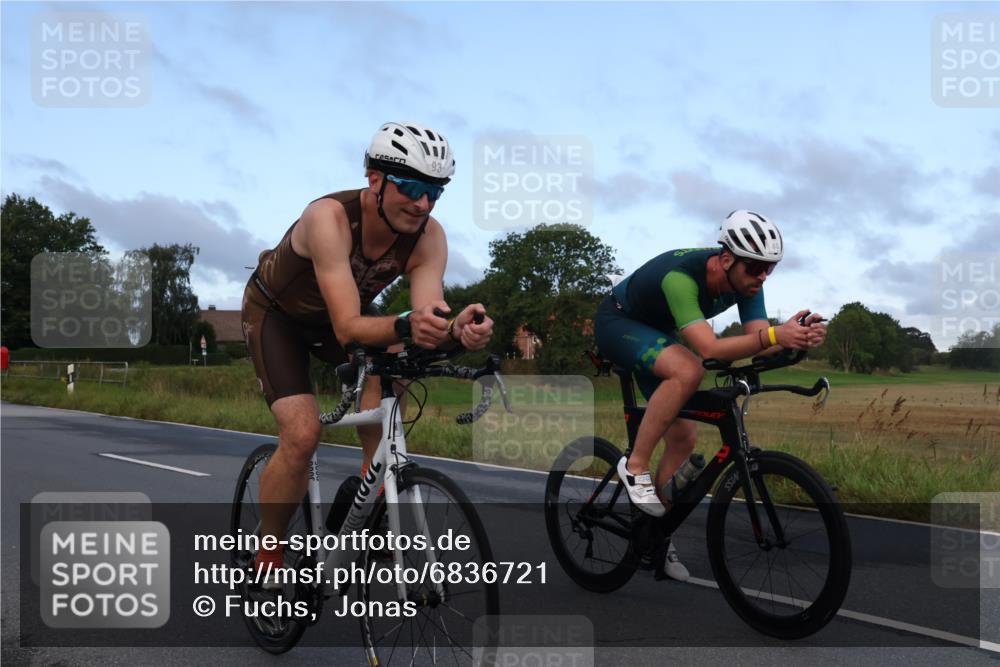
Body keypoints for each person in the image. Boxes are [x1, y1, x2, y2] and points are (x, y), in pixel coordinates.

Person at [241, 122, 494, 581]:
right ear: (375, 179)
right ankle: (269, 551)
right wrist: (405, 325)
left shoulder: (428, 237)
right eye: (412, 187)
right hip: (277, 316)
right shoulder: (329, 218)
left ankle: (371, 490)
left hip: (342, 314)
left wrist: (457, 329)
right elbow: (348, 326)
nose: (423, 203)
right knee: (301, 436)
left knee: (396, 354)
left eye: (436, 192)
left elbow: (427, 315)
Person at [593, 210, 826, 580]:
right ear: (727, 259)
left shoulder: (748, 285)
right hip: (618, 323)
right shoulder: (681, 278)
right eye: (755, 267)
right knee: (689, 369)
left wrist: (797, 341)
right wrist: (773, 336)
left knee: (684, 437)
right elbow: (709, 350)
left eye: (770, 268)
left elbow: (761, 344)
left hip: (657, 333)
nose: (762, 276)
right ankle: (634, 466)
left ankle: (657, 537)